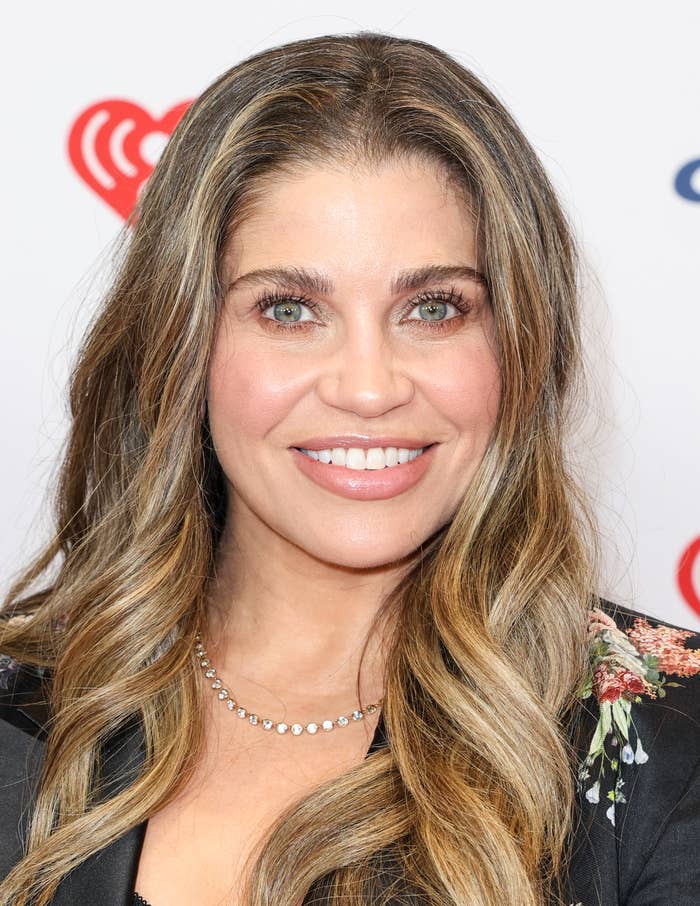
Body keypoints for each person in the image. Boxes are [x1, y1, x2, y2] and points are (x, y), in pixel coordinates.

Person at [0, 30, 698, 906]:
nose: (368, 388)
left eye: (433, 308)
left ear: (521, 343)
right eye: (289, 310)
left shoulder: (668, 746)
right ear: (183, 342)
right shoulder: (23, 704)